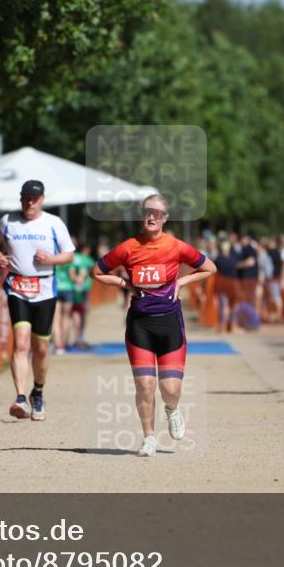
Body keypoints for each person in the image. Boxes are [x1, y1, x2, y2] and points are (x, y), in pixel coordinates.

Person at [92, 194, 217, 457]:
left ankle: (172, 410)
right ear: (142, 215)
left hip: (170, 322)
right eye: (148, 212)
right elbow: (97, 271)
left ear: (165, 218)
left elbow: (209, 268)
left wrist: (181, 282)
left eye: (157, 213)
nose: (152, 217)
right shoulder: (128, 247)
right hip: (140, 325)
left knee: (170, 389)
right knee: (145, 385)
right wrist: (125, 285)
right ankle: (148, 437)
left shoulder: (176, 246)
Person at [0, 179, 75, 421]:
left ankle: (37, 391)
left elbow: (69, 255)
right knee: (21, 343)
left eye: (35, 199)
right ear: (21, 198)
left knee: (40, 348)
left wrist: (51, 259)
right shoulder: (8, 221)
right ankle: (19, 398)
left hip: (45, 290)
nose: (30, 202)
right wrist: (0, 255)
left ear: (42, 200)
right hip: (17, 288)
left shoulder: (54, 223)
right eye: (27, 197)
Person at [70, 242, 96, 350]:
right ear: (86, 249)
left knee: (75, 313)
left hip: (72, 289)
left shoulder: (73, 258)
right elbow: (92, 272)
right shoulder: (88, 260)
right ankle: (80, 338)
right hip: (84, 289)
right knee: (83, 313)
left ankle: (76, 338)